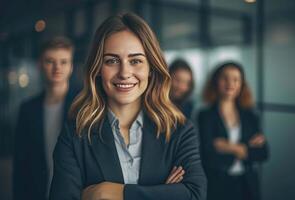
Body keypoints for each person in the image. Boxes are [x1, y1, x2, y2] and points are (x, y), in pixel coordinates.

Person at [50, 13, 207, 200]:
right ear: (98, 68)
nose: (124, 73)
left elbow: (195, 194)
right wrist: (162, 193)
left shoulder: (180, 130)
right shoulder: (74, 135)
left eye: (135, 61)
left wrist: (110, 192)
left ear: (151, 68)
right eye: (112, 61)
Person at [13, 37, 78, 200]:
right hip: (37, 192)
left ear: (71, 66)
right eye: (50, 61)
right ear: (40, 64)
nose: (57, 68)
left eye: (63, 62)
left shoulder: (83, 105)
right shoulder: (27, 109)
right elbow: (21, 163)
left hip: (75, 193)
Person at [196, 62, 269, 200]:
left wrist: (230, 147)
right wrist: (247, 148)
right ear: (216, 82)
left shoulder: (250, 116)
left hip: (247, 183)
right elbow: (207, 155)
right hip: (217, 184)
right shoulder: (205, 115)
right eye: (225, 78)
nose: (230, 83)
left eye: (236, 79)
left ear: (242, 84)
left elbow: (263, 152)